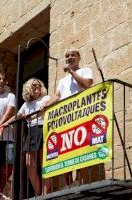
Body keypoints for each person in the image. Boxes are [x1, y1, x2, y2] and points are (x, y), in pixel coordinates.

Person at [42, 49, 93, 186]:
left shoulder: (85, 70)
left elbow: (87, 85)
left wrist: (71, 71)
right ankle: (68, 182)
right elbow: (57, 96)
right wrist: (45, 105)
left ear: (78, 57)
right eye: (67, 56)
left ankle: (79, 180)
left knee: (80, 147)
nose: (70, 57)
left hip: (80, 113)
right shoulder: (63, 80)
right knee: (64, 150)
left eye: (72, 55)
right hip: (65, 118)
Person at [4, 78, 51, 196]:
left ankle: (46, 193)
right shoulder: (26, 104)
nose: (37, 87)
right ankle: (39, 193)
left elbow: (45, 109)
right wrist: (4, 124)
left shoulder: (45, 98)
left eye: (39, 85)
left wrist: (31, 117)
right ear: (29, 88)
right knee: (30, 164)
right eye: (34, 85)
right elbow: (17, 116)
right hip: (31, 132)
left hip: (42, 128)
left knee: (44, 163)